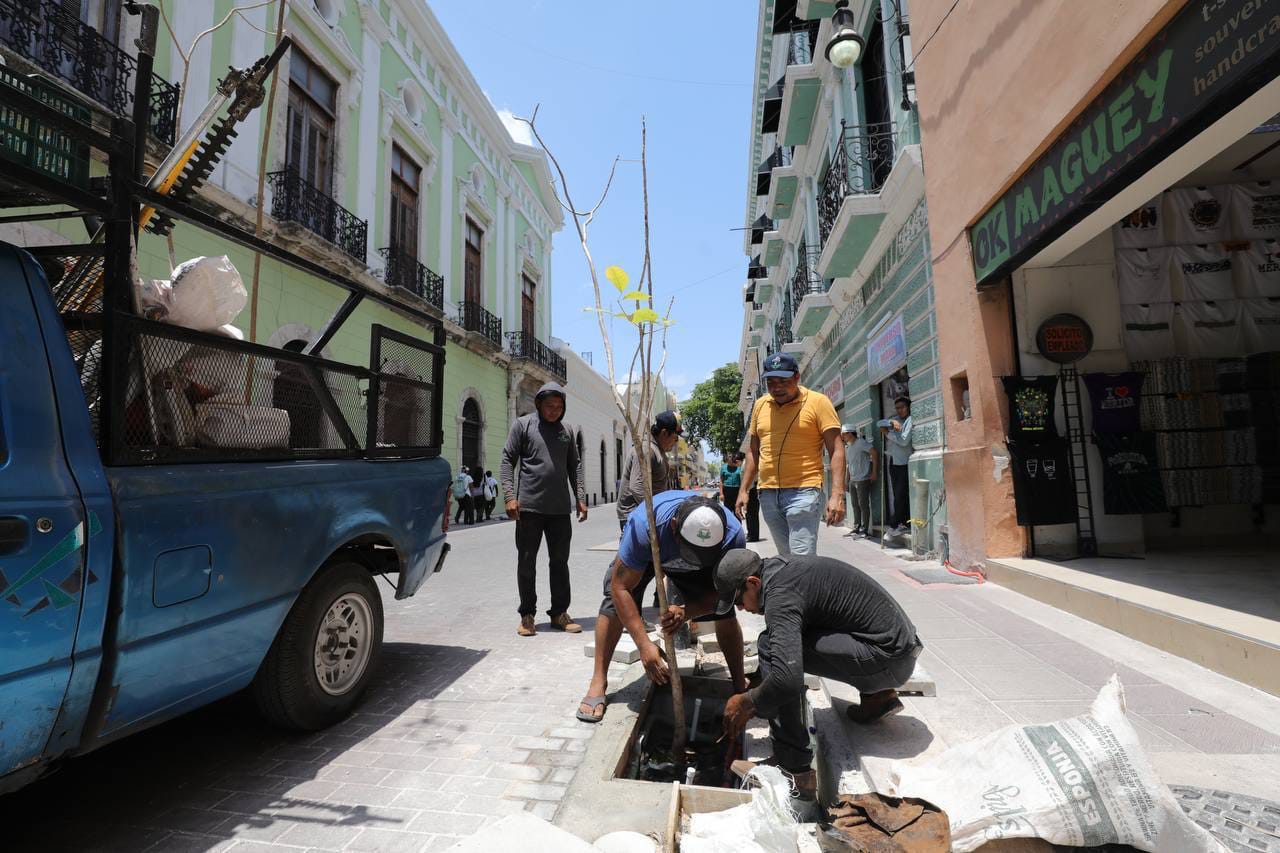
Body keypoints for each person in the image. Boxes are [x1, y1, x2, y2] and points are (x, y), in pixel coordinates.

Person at [715, 549, 923, 794]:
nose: (740, 609)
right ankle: (878, 697)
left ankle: (793, 765)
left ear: (753, 582)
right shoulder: (780, 570)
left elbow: (787, 679)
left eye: (739, 600)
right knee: (783, 645)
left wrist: (749, 701)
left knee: (769, 646)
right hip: (898, 649)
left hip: (888, 660)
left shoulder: (780, 597)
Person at [577, 492, 748, 723]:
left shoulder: (732, 535)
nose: (693, 559)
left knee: (725, 614)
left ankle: (739, 687)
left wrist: (687, 612)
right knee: (613, 602)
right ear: (675, 527)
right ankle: (598, 681)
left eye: (701, 554)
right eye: (691, 551)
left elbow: (723, 595)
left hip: (707, 570)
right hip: (651, 555)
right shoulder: (646, 525)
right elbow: (620, 587)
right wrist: (644, 645)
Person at [500, 382, 589, 637]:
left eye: (559, 407)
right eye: (549, 406)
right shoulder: (523, 425)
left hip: (560, 510)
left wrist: (580, 497)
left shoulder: (567, 430)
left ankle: (559, 613)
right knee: (527, 563)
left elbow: (576, 466)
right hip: (529, 508)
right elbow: (507, 459)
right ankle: (527, 615)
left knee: (560, 562)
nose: (554, 411)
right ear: (539, 404)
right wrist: (509, 496)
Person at [736, 353, 845, 555]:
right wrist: (744, 489)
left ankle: (809, 586)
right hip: (768, 493)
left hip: (804, 492)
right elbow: (753, 451)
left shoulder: (818, 402)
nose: (777, 387)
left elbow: (836, 449)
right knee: (786, 561)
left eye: (783, 381)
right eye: (771, 382)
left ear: (797, 377)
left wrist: (837, 495)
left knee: (801, 562)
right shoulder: (760, 405)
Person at [616, 411, 682, 532]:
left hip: (649, 514)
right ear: (664, 433)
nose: (676, 441)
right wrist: (658, 511)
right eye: (675, 437)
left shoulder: (658, 449)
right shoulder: (646, 450)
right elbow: (637, 487)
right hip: (636, 516)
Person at [880, 398, 914, 534]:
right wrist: (891, 422)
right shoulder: (896, 419)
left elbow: (904, 441)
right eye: (897, 407)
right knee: (896, 494)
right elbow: (879, 423)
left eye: (902, 407)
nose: (899, 410)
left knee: (901, 494)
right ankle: (902, 522)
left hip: (903, 462)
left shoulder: (910, 420)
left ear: (908, 407)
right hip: (893, 461)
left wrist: (888, 433)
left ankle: (896, 524)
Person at [842, 425, 878, 537]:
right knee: (854, 504)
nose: (842, 436)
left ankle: (865, 529)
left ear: (850, 433)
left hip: (863, 479)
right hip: (852, 479)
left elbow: (874, 453)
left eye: (844, 433)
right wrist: (846, 480)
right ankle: (856, 527)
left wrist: (874, 472)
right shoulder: (848, 446)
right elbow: (848, 465)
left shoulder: (861, 443)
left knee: (863, 504)